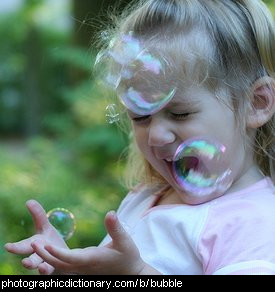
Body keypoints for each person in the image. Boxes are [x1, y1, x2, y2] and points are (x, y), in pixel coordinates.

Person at [5, 0, 275, 275]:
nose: (156, 135)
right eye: (140, 117)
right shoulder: (145, 197)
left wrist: (136, 272)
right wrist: (68, 269)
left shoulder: (255, 223)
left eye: (180, 113)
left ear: (257, 103)